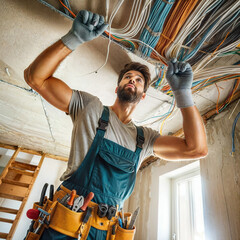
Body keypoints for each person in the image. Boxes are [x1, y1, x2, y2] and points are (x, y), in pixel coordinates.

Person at [24, 10, 207, 240]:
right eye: (128, 77)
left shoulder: (146, 139)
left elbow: (196, 149)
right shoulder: (89, 107)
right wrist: (74, 38)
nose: (132, 80)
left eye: (138, 80)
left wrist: (183, 93)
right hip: (64, 223)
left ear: (142, 96)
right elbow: (35, 78)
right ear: (117, 87)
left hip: (106, 230)